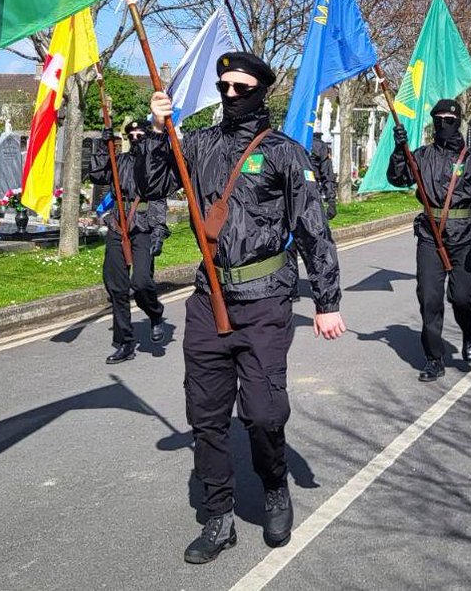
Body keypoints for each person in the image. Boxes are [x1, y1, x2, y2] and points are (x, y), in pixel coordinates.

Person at [140, 52, 345, 564]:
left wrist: (327, 300)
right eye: (224, 86)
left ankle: (274, 486)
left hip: (265, 300)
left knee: (263, 413)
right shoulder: (198, 144)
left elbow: (313, 229)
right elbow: (150, 184)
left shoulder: (284, 153)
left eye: (241, 88)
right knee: (205, 416)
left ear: (260, 91)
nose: (231, 95)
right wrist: (158, 130)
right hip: (208, 300)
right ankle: (218, 516)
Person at [388, 102, 471, 381]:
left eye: (449, 118)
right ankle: (433, 358)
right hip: (430, 235)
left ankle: (469, 331)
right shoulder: (422, 155)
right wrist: (399, 151)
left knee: (462, 297)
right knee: (429, 298)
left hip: (463, 237)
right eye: (438, 118)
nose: (443, 123)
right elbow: (398, 178)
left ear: (458, 121)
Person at [89, 118, 168, 364]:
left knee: (141, 282)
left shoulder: (155, 163)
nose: (135, 138)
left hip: (143, 227)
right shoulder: (119, 161)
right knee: (116, 286)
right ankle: (125, 341)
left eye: (140, 134)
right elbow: (98, 175)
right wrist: (103, 146)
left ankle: (155, 314)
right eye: (131, 135)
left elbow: (158, 197)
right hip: (118, 225)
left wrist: (158, 231)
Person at [309, 131, 338, 220]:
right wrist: (331, 201)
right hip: (311, 196)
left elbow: (327, 175)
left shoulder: (287, 143)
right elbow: (327, 175)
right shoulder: (319, 146)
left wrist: (331, 201)